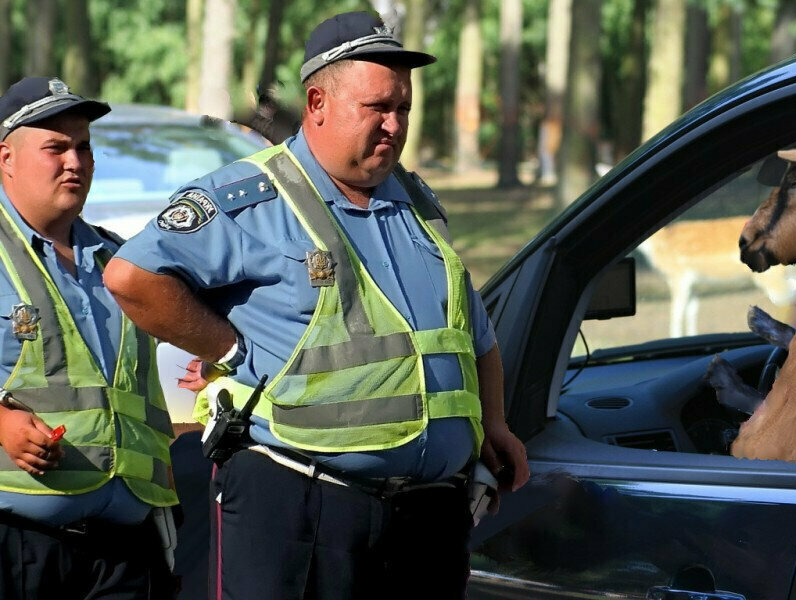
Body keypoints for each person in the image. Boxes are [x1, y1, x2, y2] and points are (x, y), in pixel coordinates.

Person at [103, 11, 530, 599]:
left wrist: (495, 421)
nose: (394, 124)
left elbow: (468, 329)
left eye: (402, 108)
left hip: (426, 518)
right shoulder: (251, 199)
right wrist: (231, 348)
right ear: (317, 102)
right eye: (377, 107)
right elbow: (132, 277)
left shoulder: (416, 200)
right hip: (300, 507)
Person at [0, 77, 179, 599]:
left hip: (126, 549)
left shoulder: (122, 262)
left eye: (83, 147)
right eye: (55, 147)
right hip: (19, 545)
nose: (74, 161)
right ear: (6, 157)